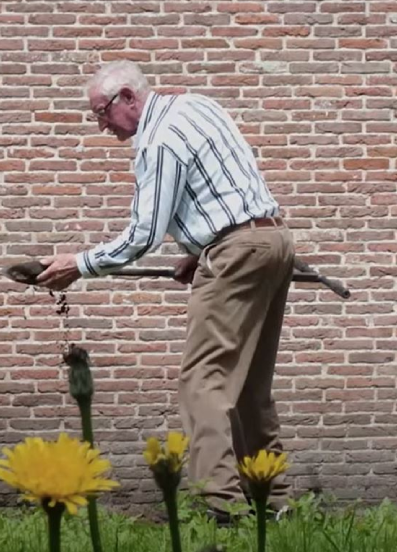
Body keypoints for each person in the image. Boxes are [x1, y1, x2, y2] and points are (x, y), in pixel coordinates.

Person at [37, 60, 295, 523]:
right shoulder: (196, 106)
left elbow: (144, 235)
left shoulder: (158, 142)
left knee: (204, 383)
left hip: (238, 254)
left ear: (128, 99)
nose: (101, 126)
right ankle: (276, 504)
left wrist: (80, 264)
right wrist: (201, 248)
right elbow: (225, 188)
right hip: (273, 241)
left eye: (101, 113)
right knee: (251, 387)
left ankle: (224, 508)